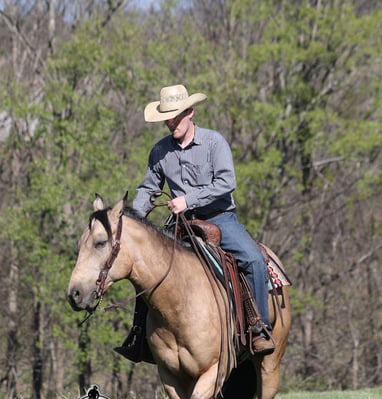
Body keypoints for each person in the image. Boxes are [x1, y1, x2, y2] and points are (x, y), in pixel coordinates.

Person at [115, 84, 275, 361]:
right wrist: (133, 218)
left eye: (176, 116)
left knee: (253, 260)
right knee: (146, 269)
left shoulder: (214, 143)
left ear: (190, 112)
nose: (171, 122)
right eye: (167, 117)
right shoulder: (160, 151)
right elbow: (149, 188)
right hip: (180, 225)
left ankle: (258, 328)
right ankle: (140, 336)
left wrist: (188, 200)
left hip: (219, 219)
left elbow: (226, 182)